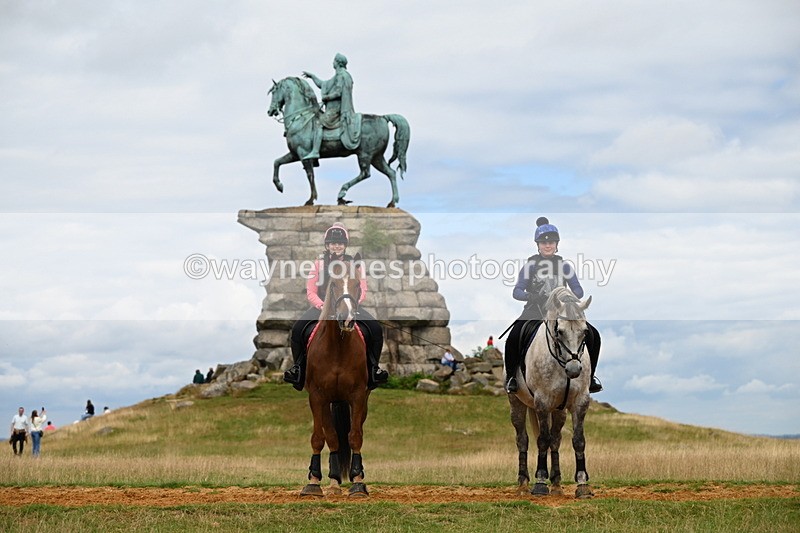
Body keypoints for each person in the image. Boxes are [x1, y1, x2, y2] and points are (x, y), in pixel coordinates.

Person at [284, 222, 388, 391]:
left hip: (350, 306)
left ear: (345, 245)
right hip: (322, 307)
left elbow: (362, 289)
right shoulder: (319, 263)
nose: (336, 246)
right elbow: (311, 291)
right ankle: (298, 370)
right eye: (333, 243)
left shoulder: (355, 264)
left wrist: (352, 306)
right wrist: (322, 306)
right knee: (297, 330)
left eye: (340, 243)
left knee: (375, 329)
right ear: (327, 245)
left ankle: (374, 369)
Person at [504, 217, 603, 394]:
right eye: (544, 243)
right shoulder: (530, 266)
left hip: (561, 310)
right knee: (515, 335)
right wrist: (532, 296)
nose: (547, 245)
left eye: (551, 242)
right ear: (538, 245)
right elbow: (517, 291)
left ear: (557, 245)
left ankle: (591, 377)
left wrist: (566, 296)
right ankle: (512, 377)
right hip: (535, 309)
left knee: (593, 335)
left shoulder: (565, 266)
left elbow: (578, 290)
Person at [302, 53, 361, 160]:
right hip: (333, 109)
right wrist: (312, 77)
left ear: (338, 63)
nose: (332, 62)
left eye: (334, 60)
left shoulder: (341, 75)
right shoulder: (339, 75)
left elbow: (338, 92)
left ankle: (315, 151)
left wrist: (326, 97)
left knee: (318, 123)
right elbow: (323, 84)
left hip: (336, 110)